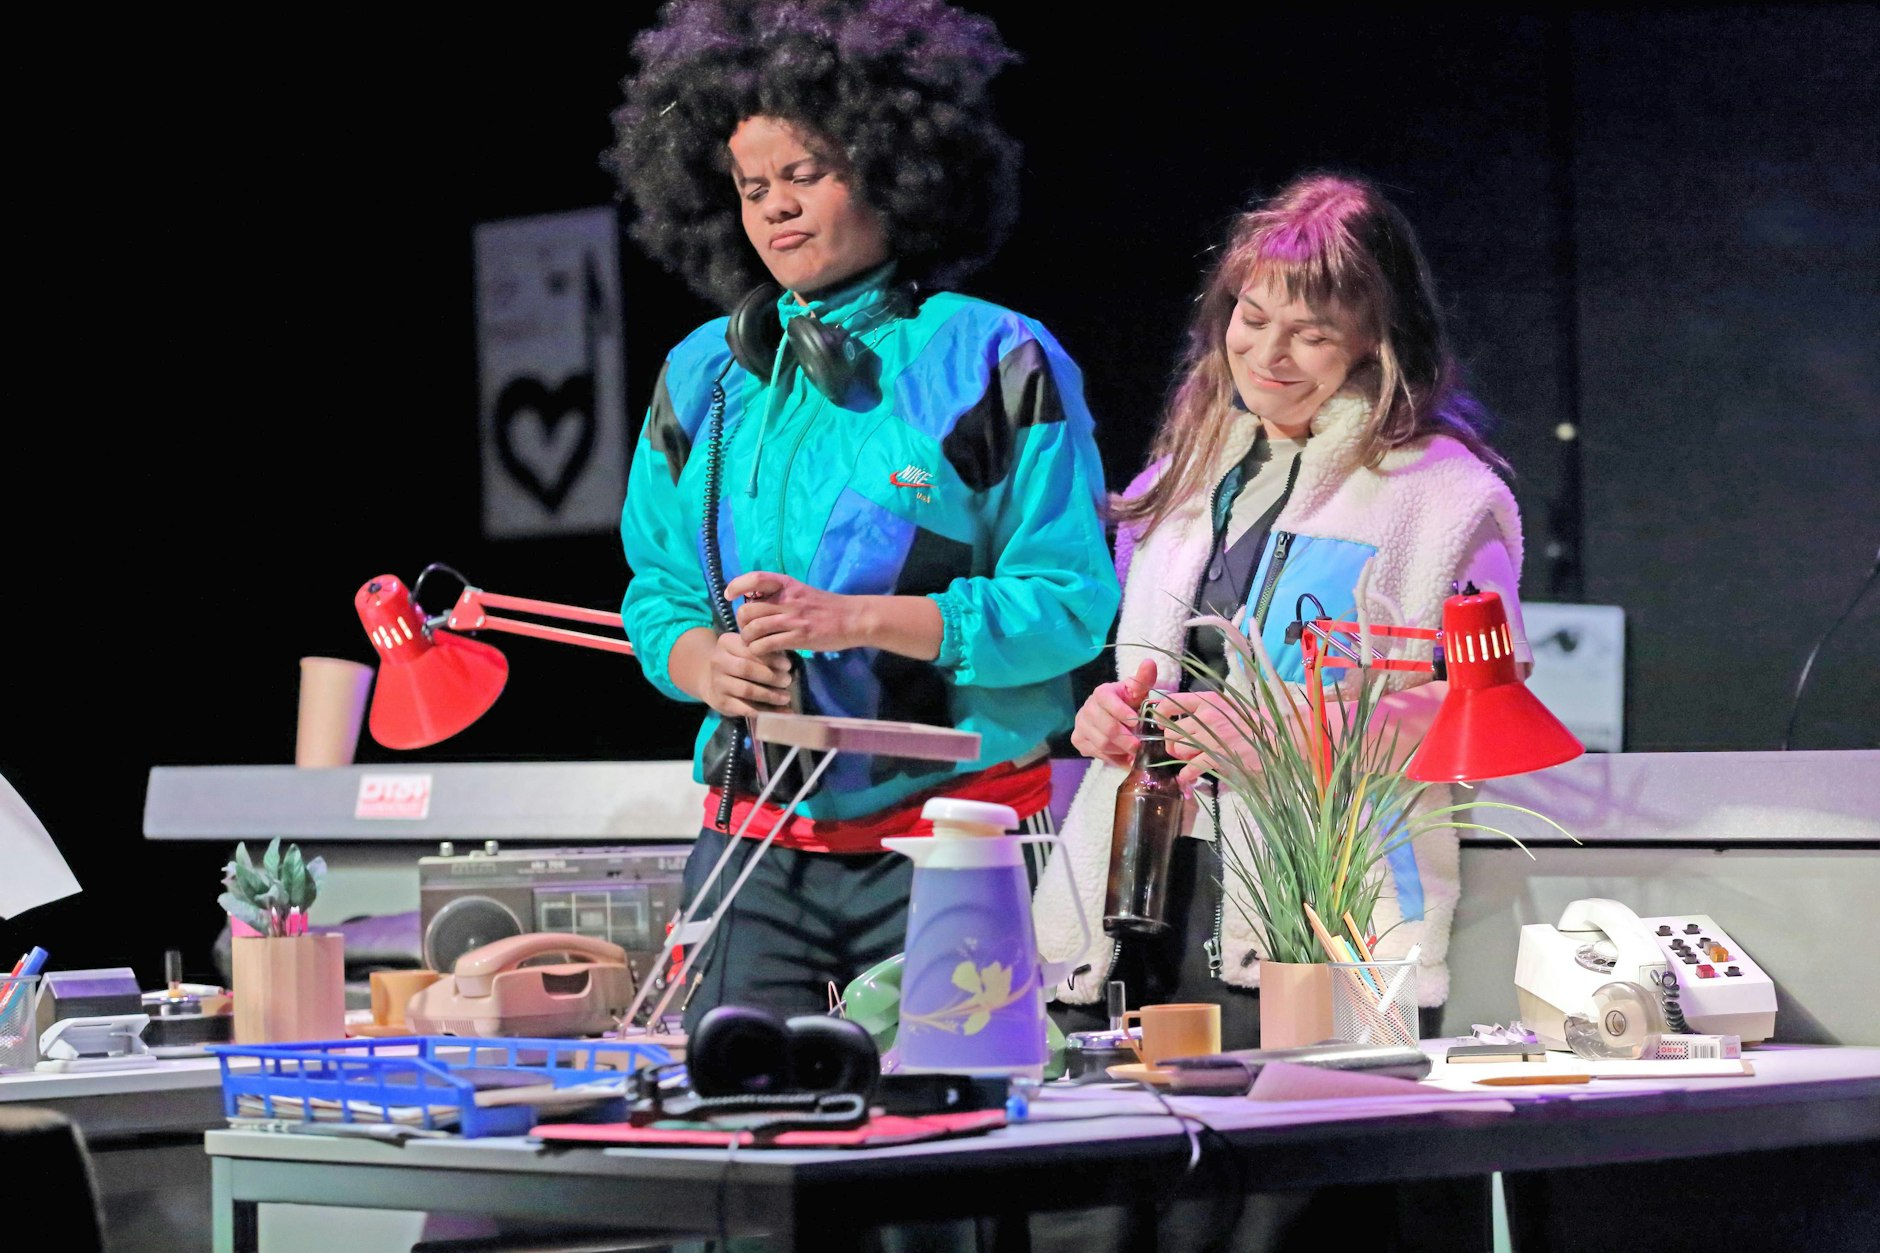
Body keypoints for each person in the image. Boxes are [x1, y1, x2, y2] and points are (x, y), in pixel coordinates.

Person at [608, 0, 1118, 1033]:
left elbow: (1068, 605)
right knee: (738, 1120)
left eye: (804, 174)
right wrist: (705, 663)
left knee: (953, 1117)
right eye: (751, 186)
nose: (775, 209)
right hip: (754, 846)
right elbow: (657, 589)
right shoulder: (701, 374)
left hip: (956, 837)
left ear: (889, 167)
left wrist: (854, 620)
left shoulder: (996, 356)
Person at [1033, 172, 1532, 1052]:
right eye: (1252, 316)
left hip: (1324, 918)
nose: (1268, 354)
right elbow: (1141, 683)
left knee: (1303, 1137)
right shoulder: (1175, 484)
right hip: (1135, 898)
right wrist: (1105, 717)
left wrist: (1284, 734)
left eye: (1311, 333)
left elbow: (1489, 717)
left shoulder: (1447, 496)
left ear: (1376, 339)